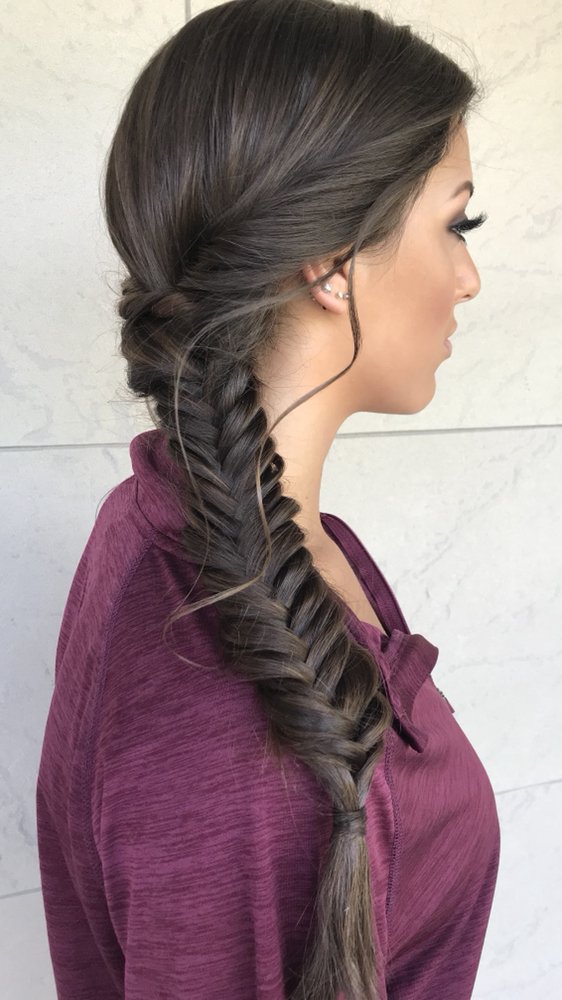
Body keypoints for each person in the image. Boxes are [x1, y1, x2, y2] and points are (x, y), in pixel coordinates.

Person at [35, 2, 500, 998]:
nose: (467, 278)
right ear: (331, 263)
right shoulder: (235, 732)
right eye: (455, 224)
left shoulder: (207, 518)